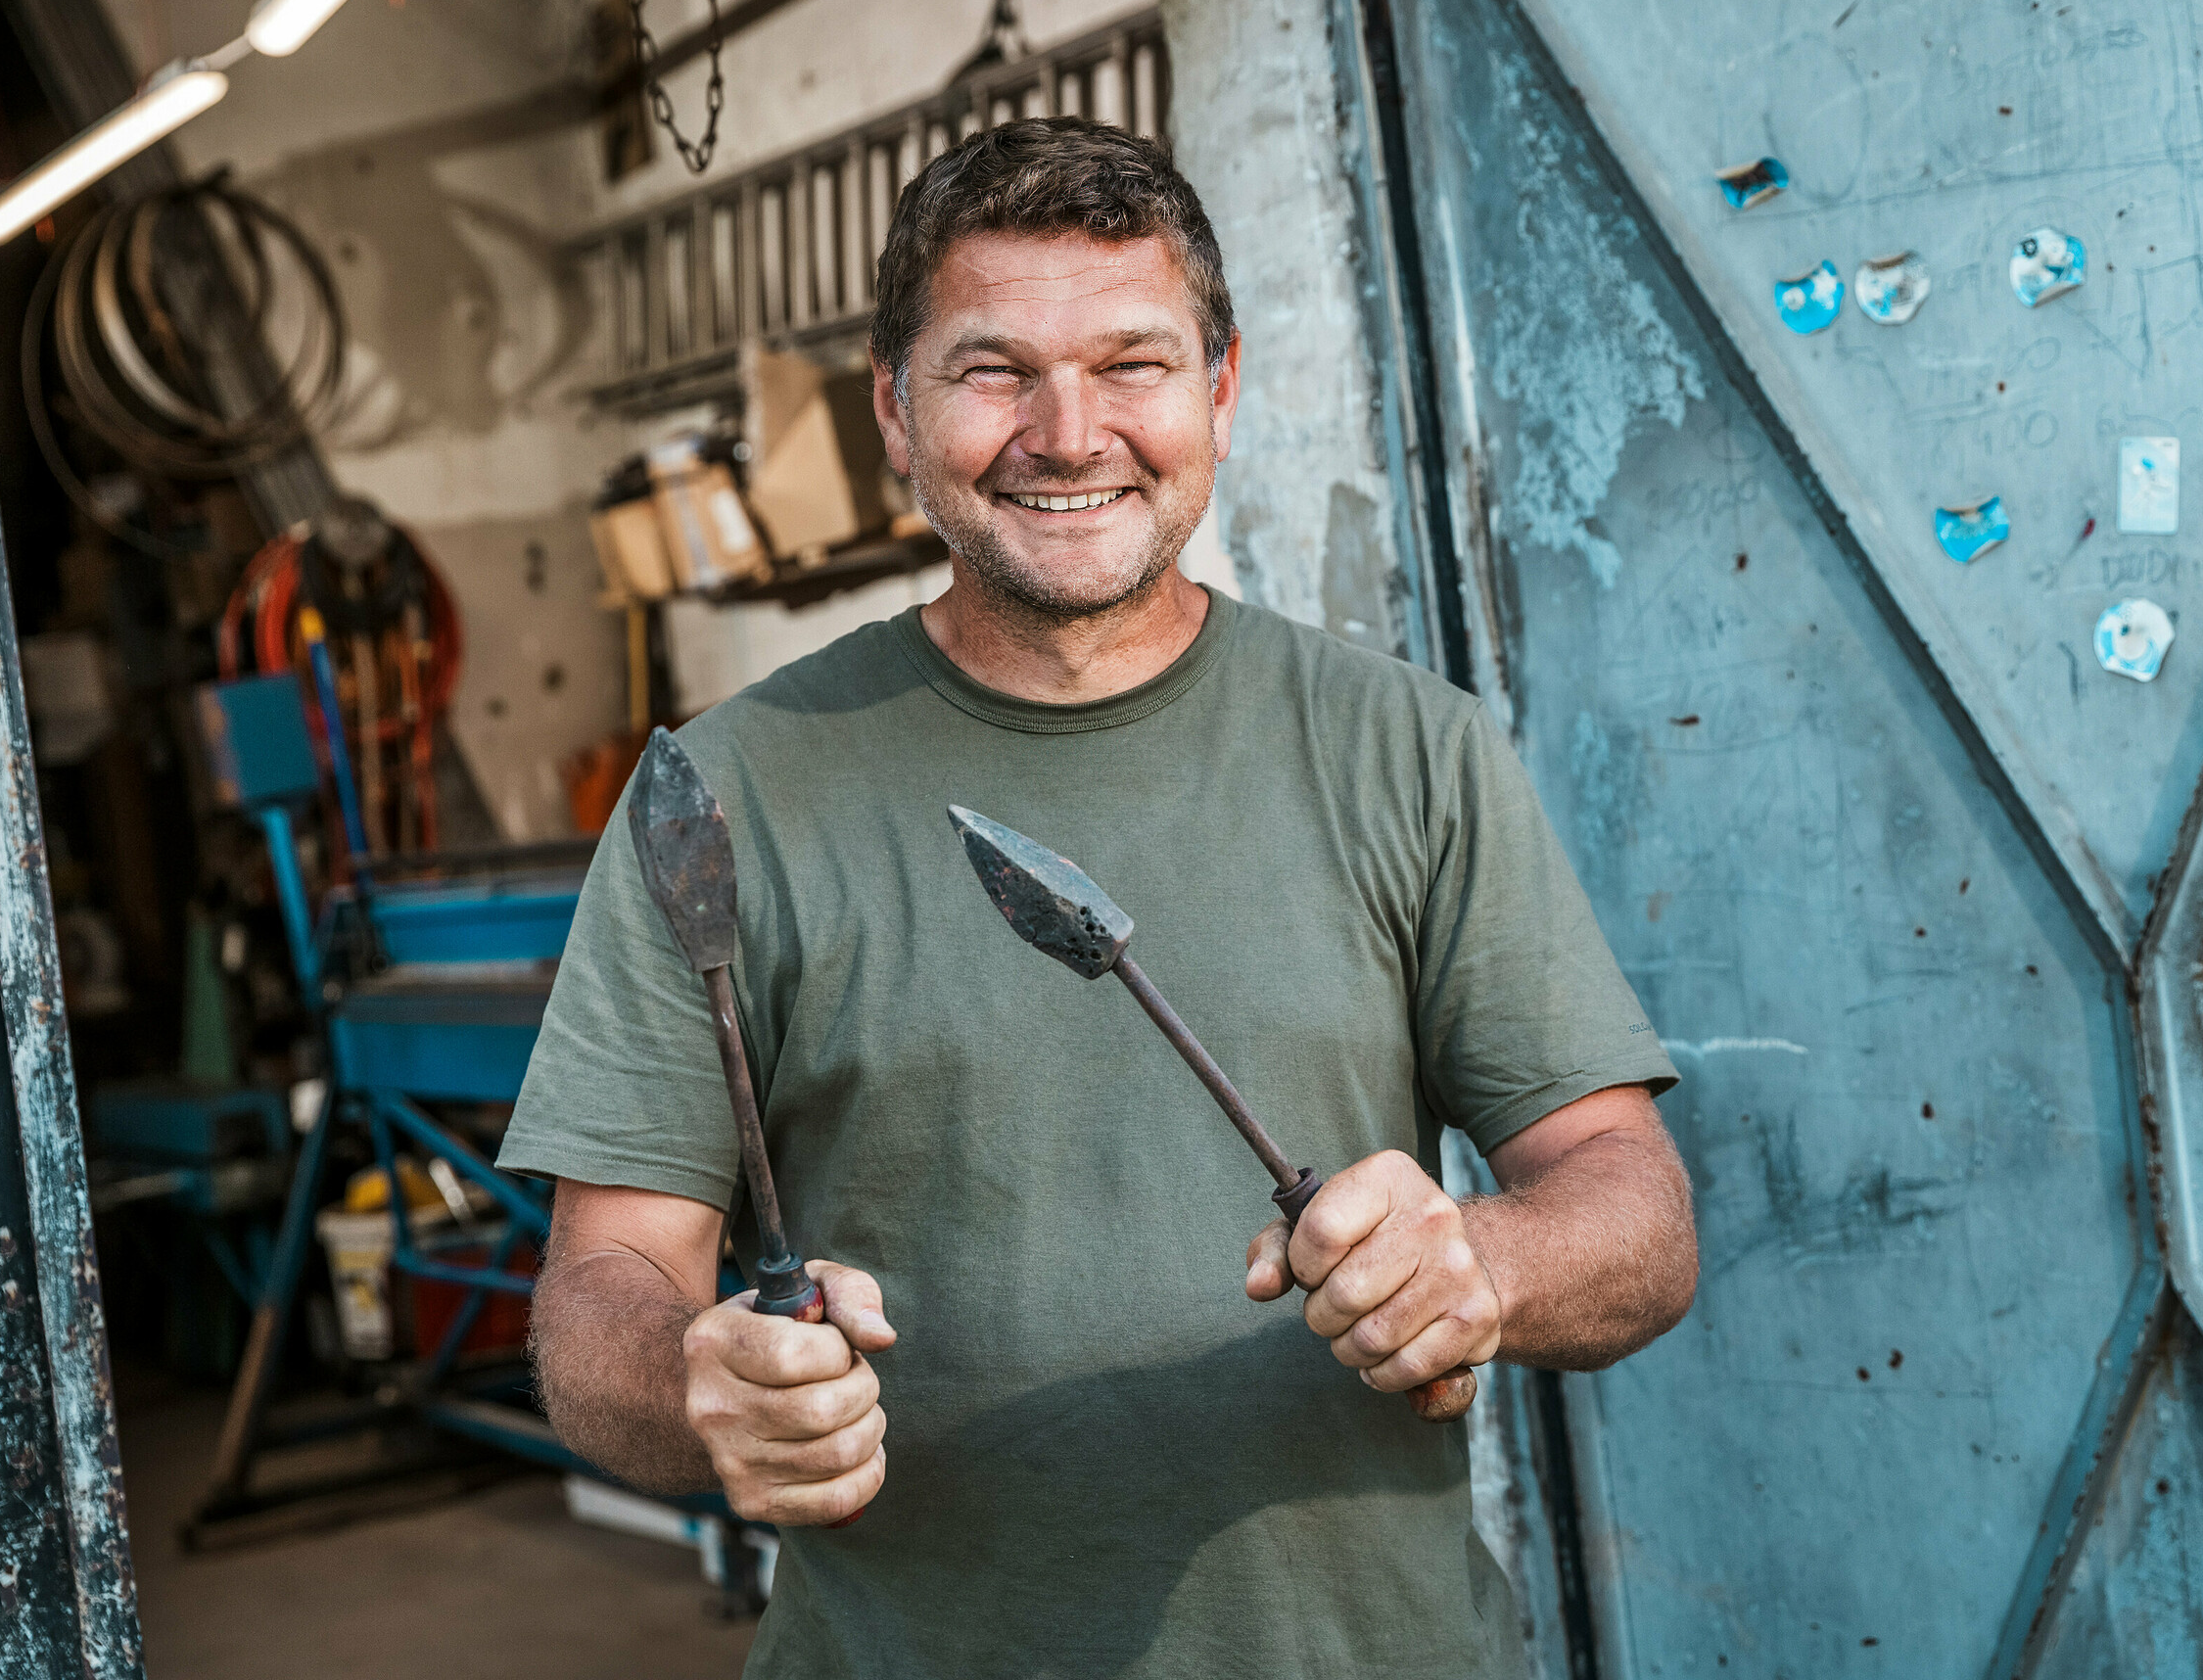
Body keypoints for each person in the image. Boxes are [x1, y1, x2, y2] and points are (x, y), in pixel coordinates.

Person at [504, 117, 1697, 1679]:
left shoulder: (1406, 747)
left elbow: (1636, 1204)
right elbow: (603, 1293)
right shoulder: (728, 795)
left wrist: (1485, 1263)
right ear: (895, 410)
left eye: (1132, 364)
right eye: (993, 369)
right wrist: (696, 1381)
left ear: (1219, 390)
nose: (1069, 434)